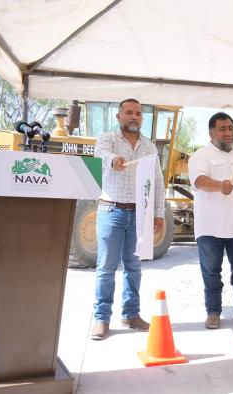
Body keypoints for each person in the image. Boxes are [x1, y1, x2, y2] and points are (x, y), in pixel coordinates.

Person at [90, 98, 165, 340]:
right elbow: (99, 153)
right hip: (111, 211)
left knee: (134, 268)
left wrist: (159, 213)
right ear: (119, 116)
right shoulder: (108, 139)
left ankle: (131, 315)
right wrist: (113, 160)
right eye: (129, 113)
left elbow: (158, 182)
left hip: (140, 214)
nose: (135, 117)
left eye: (139, 114)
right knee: (106, 268)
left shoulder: (150, 147)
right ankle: (101, 319)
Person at [188, 112, 233, 329]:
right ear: (211, 133)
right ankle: (213, 312)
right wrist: (219, 185)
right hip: (210, 227)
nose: (228, 133)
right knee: (211, 272)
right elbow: (198, 180)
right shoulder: (201, 155)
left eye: (230, 128)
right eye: (222, 129)